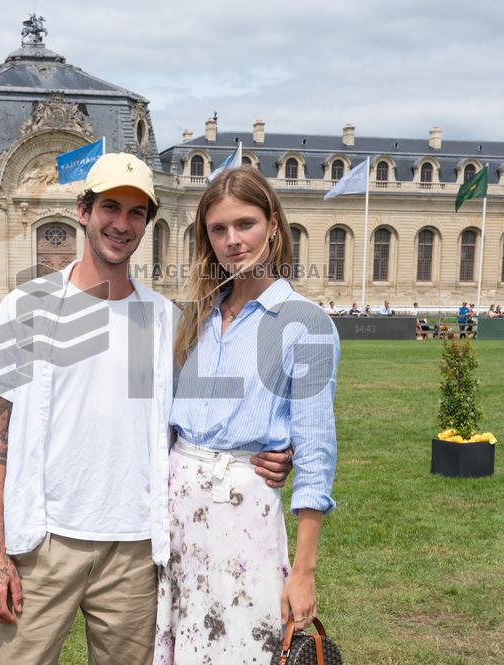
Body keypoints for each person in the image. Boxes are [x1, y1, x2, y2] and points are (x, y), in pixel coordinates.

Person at [0, 154, 292, 665]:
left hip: (136, 552)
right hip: (41, 546)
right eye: (110, 208)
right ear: (83, 210)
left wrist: (278, 450)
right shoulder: (24, 307)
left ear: (148, 222)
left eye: (136, 213)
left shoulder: (164, 321)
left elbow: (216, 416)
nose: (122, 224)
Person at [155, 166, 337, 663]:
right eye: (219, 229)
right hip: (175, 511)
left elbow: (317, 450)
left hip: (244, 510)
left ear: (273, 224)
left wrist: (304, 571)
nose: (233, 240)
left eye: (246, 224)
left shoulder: (305, 323)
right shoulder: (195, 316)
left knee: (243, 647)